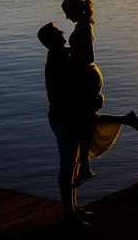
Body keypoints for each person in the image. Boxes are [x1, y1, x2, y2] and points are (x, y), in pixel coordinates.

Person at [61, 0, 138, 188]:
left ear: (75, 10)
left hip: (88, 77)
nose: (66, 17)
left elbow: (89, 57)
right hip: (84, 76)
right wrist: (63, 51)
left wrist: (69, 60)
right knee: (87, 119)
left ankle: (85, 167)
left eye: (67, 13)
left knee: (83, 123)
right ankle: (125, 119)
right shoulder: (79, 26)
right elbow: (78, 50)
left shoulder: (85, 28)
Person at [37, 22, 93, 229]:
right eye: (57, 31)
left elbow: (73, 52)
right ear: (52, 40)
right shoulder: (59, 60)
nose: (62, 31)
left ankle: (73, 207)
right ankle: (69, 214)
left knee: (71, 165)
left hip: (64, 118)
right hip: (64, 120)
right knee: (67, 167)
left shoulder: (57, 54)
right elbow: (82, 60)